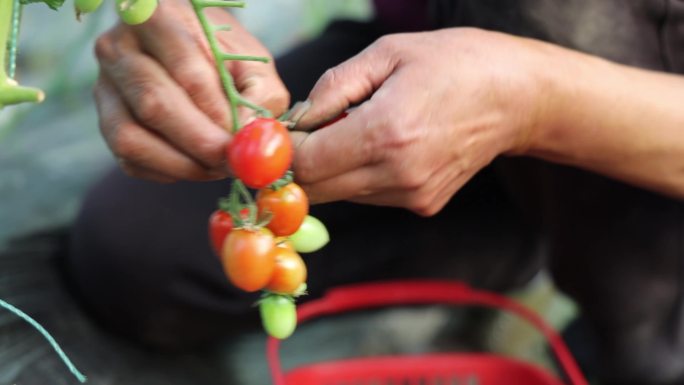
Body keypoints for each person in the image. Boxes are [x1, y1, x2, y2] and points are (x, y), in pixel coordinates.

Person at [66, 1, 684, 384]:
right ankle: (520, 227)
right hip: (436, 43)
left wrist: (537, 103)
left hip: (648, 127)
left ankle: (646, 342)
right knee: (132, 252)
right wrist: (172, 18)